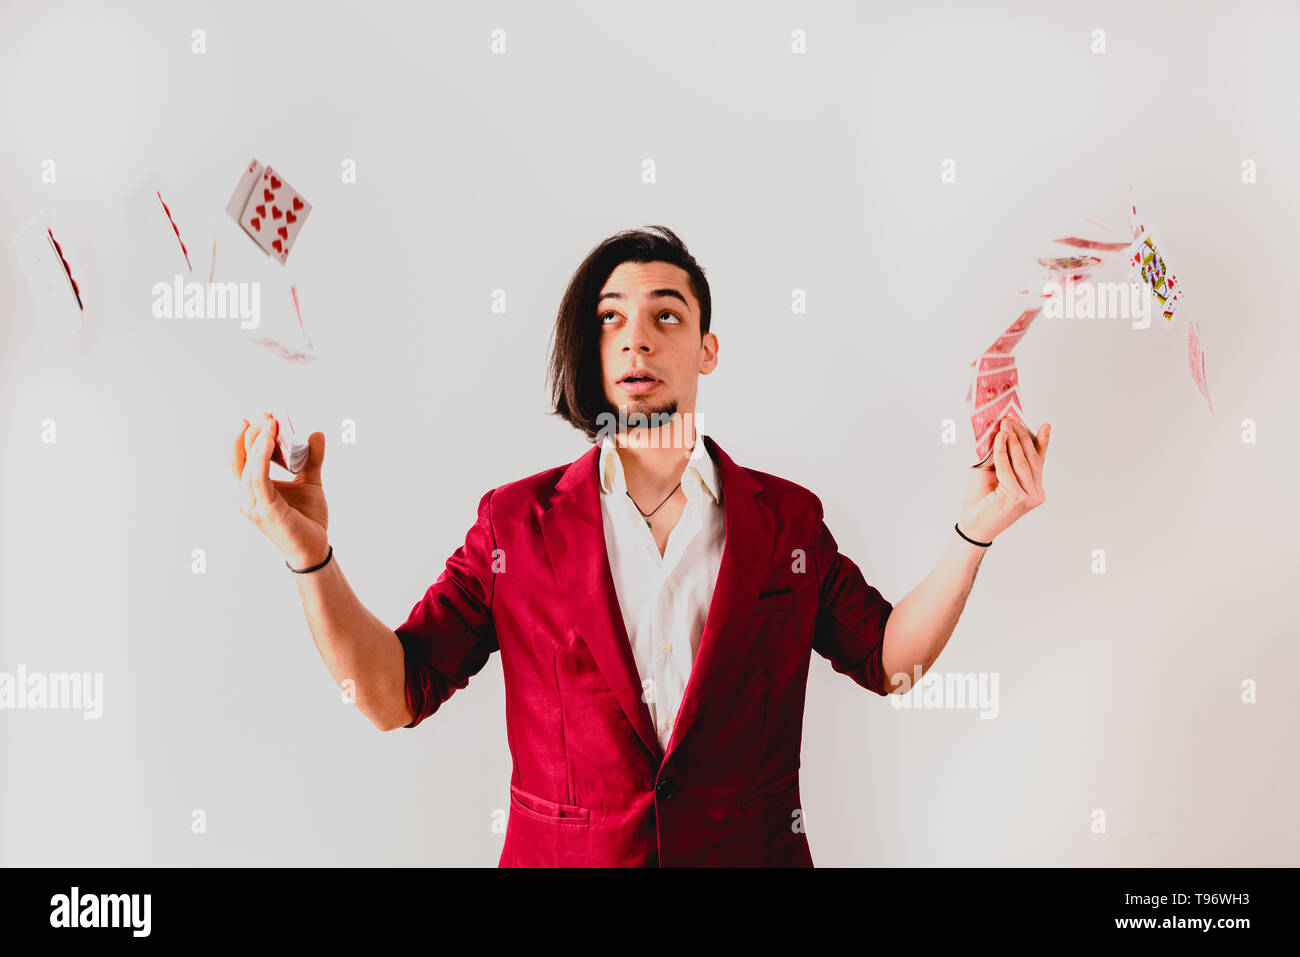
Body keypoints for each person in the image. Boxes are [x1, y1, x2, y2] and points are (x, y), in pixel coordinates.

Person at [230, 225, 1051, 866]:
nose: (636, 338)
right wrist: (308, 553)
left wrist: (973, 531)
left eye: (666, 314)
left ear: (707, 349)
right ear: (593, 351)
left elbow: (887, 659)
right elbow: (391, 693)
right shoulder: (514, 524)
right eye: (611, 319)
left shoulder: (786, 522)